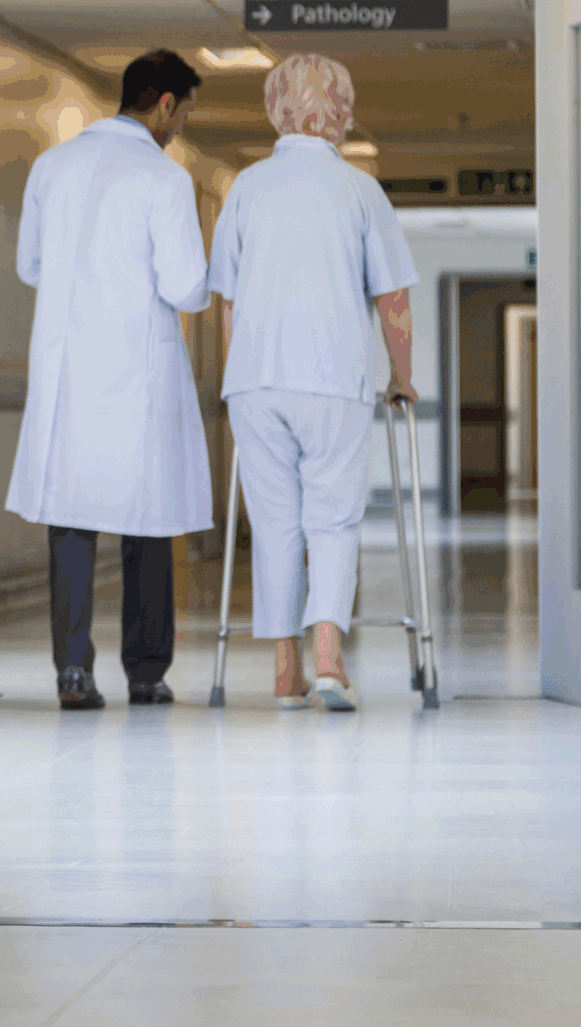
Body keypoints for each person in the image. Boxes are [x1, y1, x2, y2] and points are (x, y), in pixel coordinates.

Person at [207, 52, 418, 713]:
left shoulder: (245, 187)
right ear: (343, 113)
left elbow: (229, 301)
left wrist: (244, 367)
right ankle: (329, 659)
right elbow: (393, 300)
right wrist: (402, 377)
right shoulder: (360, 191)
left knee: (275, 523)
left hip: (257, 381)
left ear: (276, 110)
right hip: (334, 377)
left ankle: (282, 671)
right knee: (332, 518)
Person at [5, 49, 213, 710]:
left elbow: (31, 266)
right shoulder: (164, 179)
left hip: (69, 367)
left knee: (69, 520)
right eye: (183, 114)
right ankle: (146, 673)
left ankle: (72, 671)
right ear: (165, 106)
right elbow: (186, 286)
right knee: (145, 525)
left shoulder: (51, 165)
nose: (180, 127)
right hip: (136, 370)